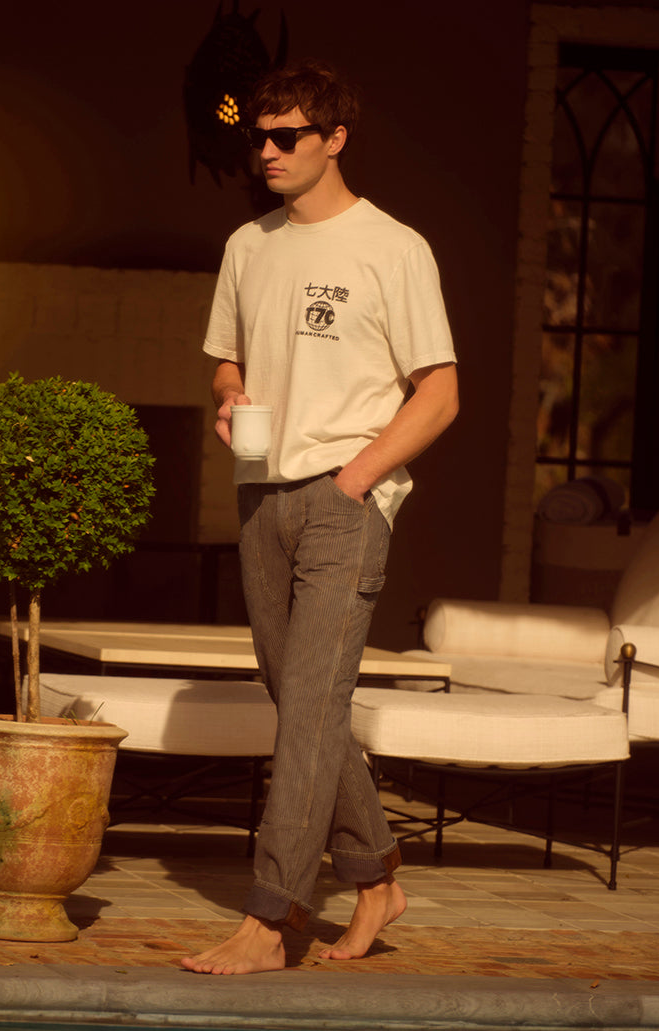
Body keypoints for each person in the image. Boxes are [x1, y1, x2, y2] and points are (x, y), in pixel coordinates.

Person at [182, 60, 458, 975]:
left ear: (334, 139)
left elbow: (441, 393)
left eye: (286, 136)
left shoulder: (394, 247)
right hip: (262, 495)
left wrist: (357, 478)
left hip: (346, 497)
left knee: (305, 710)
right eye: (258, 138)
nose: (266, 152)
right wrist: (232, 398)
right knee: (300, 698)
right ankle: (378, 876)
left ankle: (272, 917)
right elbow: (228, 361)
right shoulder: (246, 246)